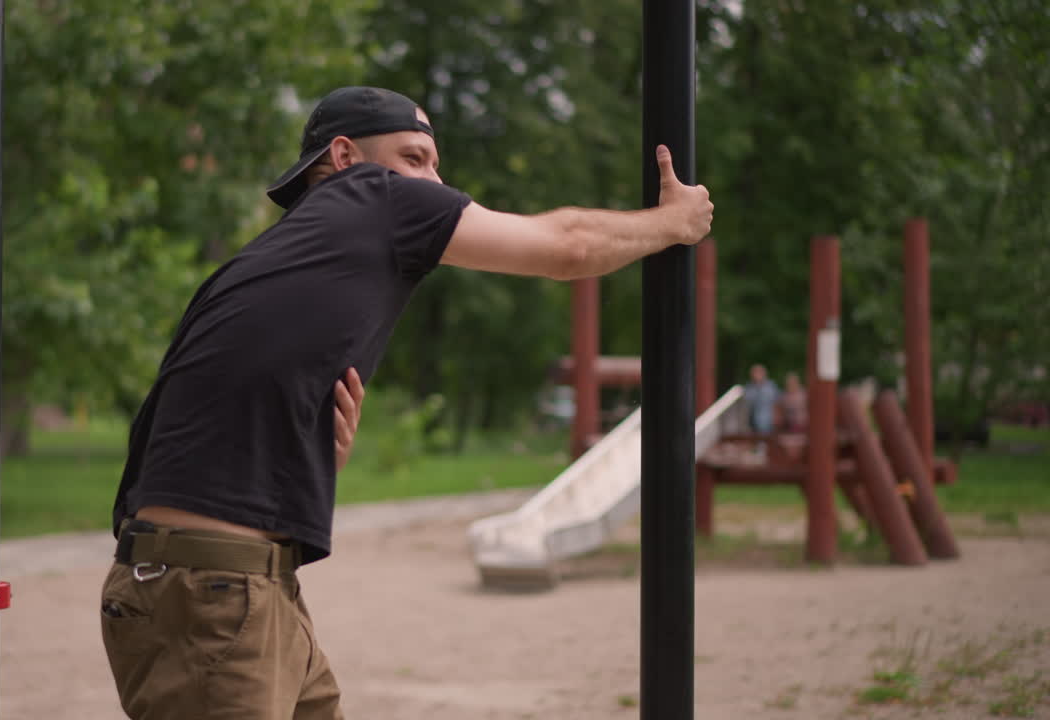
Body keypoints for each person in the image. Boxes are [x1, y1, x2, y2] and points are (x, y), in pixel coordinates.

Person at [101, 86, 714, 720]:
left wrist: (307, 454)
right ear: (345, 157)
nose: (435, 181)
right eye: (415, 157)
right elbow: (569, 246)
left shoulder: (272, 260)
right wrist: (674, 222)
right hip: (214, 592)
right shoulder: (376, 198)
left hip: (223, 584)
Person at [743, 363, 781, 434]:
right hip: (752, 421)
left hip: (768, 421)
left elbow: (777, 402)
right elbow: (746, 404)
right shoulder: (749, 387)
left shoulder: (771, 387)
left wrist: (776, 417)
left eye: (758, 372)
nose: (756, 375)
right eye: (754, 373)